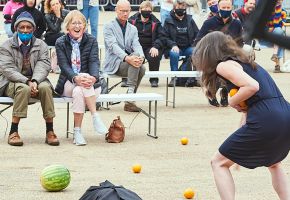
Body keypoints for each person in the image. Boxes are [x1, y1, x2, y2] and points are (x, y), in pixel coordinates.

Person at [193, 31, 290, 200]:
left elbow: (252, 86)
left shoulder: (223, 65)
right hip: (284, 114)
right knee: (274, 163)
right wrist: (238, 141)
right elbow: (249, 109)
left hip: (268, 117)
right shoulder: (249, 64)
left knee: (218, 163)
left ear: (209, 51)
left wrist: (231, 101)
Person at [0, 11, 59, 146]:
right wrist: (27, 82)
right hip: (12, 81)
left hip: (36, 79)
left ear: (33, 29)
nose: (25, 30)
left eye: (29, 27)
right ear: (16, 28)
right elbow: (8, 69)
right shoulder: (6, 46)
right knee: (23, 89)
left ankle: (50, 131)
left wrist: (35, 81)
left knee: (45, 88)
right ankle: (13, 132)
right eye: (22, 27)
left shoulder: (41, 45)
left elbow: (44, 65)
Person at [55, 10, 107, 146]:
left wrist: (94, 78)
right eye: (74, 23)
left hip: (90, 84)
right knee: (80, 82)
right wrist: (75, 77)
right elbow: (64, 65)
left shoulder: (91, 40)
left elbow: (94, 61)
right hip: (68, 83)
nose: (77, 26)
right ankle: (95, 116)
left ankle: (77, 133)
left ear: (84, 26)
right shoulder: (60, 42)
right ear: (67, 26)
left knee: (79, 91)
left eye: (80, 23)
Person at [194, 0, 243, 107]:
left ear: (232, 8)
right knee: (216, 69)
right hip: (213, 56)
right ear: (219, 7)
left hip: (230, 56)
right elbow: (198, 41)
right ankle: (211, 93)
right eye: (223, 8)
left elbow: (240, 43)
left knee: (234, 66)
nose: (226, 10)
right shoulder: (209, 23)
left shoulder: (236, 23)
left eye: (228, 8)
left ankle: (225, 92)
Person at [103, 0, 146, 112]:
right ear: (116, 10)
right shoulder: (108, 26)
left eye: (127, 11)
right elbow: (113, 46)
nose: (125, 13)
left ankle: (130, 95)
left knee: (141, 66)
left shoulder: (133, 28)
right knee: (139, 67)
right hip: (114, 63)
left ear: (130, 11)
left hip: (130, 63)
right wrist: (127, 58)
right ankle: (130, 97)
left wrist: (141, 57)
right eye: (122, 11)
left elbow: (137, 45)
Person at [128, 1, 165, 88]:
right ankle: (126, 79)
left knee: (154, 55)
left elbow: (162, 37)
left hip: (149, 47)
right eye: (144, 10)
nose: (146, 12)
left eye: (149, 10)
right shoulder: (131, 21)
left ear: (151, 12)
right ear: (140, 10)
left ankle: (154, 79)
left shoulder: (156, 22)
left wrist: (156, 46)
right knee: (127, 53)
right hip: (135, 47)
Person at [163, 0, 199, 85]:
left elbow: (197, 33)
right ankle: (174, 77)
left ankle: (194, 78)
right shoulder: (168, 20)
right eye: (179, 7)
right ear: (174, 9)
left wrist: (195, 44)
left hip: (187, 47)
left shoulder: (190, 19)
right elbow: (165, 36)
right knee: (174, 53)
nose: (181, 9)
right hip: (175, 47)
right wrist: (173, 45)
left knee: (196, 52)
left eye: (183, 7)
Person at [265, 0, 286, 73]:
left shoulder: (283, 12)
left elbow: (278, 25)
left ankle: (275, 56)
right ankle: (277, 62)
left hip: (276, 36)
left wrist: (278, 8)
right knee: (280, 35)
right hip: (266, 36)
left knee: (279, 32)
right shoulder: (266, 11)